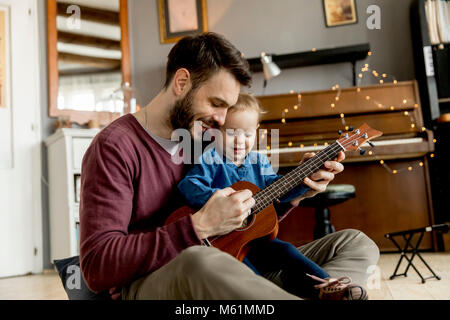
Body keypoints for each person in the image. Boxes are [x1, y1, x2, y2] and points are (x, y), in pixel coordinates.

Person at [79, 32, 379, 300]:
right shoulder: (114, 147)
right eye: (216, 103)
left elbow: (243, 221)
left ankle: (314, 293)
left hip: (233, 258)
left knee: (355, 243)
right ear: (182, 83)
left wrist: (296, 192)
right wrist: (198, 226)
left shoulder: (205, 136)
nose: (222, 121)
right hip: (159, 279)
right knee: (200, 262)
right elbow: (96, 267)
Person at [177, 93, 366, 300]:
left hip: (256, 243)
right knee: (245, 277)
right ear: (214, 133)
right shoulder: (210, 159)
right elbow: (189, 186)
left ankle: (328, 289)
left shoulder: (259, 162)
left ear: (256, 131)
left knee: (286, 251)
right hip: (220, 246)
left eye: (247, 134)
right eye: (232, 133)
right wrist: (222, 199)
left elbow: (279, 191)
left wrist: (305, 179)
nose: (240, 141)